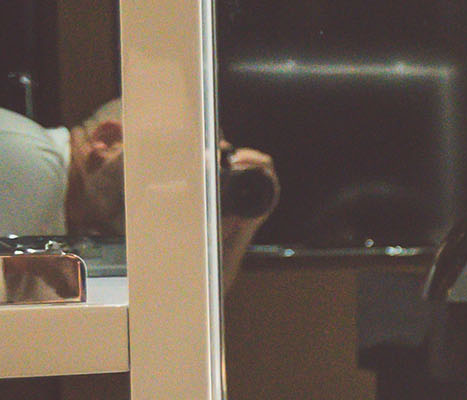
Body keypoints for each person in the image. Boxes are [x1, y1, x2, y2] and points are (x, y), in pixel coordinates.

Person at [0, 98, 276, 286]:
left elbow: (177, 332)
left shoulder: (59, 221)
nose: (170, 193)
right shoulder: (34, 168)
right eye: (173, 166)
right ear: (108, 140)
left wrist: (240, 230)